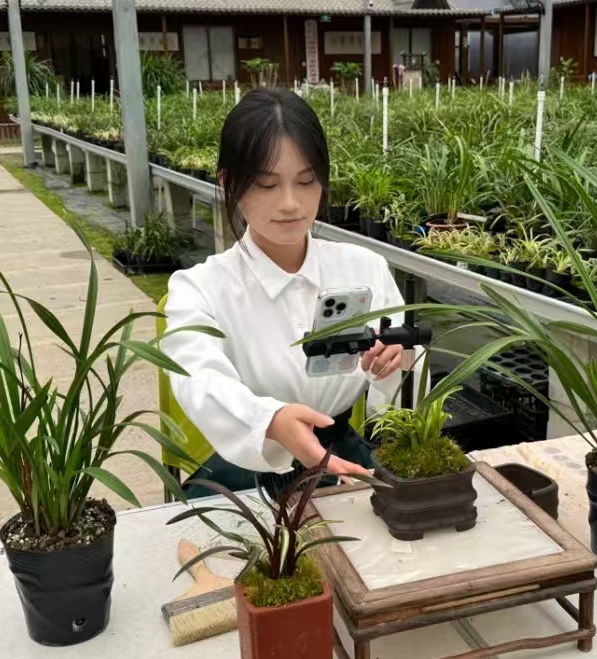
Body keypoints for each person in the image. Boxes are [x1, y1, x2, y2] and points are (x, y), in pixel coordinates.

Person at [161, 88, 414, 498]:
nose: (291, 203)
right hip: (249, 473)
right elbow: (199, 379)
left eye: (306, 181)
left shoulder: (364, 268)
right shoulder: (199, 289)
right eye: (267, 184)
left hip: (345, 460)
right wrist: (271, 420)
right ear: (228, 182)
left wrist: (399, 359)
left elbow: (403, 369)